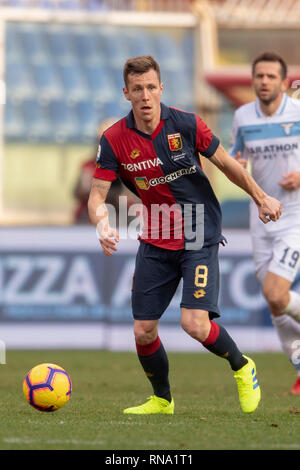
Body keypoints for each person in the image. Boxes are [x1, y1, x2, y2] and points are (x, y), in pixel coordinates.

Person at [88, 55, 281, 415]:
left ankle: (242, 366)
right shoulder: (113, 139)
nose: (145, 96)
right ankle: (162, 400)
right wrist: (102, 223)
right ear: (126, 93)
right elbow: (97, 195)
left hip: (198, 230)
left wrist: (261, 196)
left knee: (194, 323)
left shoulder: (187, 124)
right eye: (137, 89)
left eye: (150, 87)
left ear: (161, 88)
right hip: (155, 235)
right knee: (143, 330)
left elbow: (227, 164)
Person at [230, 51, 300, 395]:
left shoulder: (298, 113)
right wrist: (237, 161)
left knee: (276, 293)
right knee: (275, 302)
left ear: (285, 82)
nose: (264, 81)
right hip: (261, 221)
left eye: (272, 76)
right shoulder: (243, 116)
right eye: (259, 76)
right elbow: (234, 157)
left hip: (295, 219)